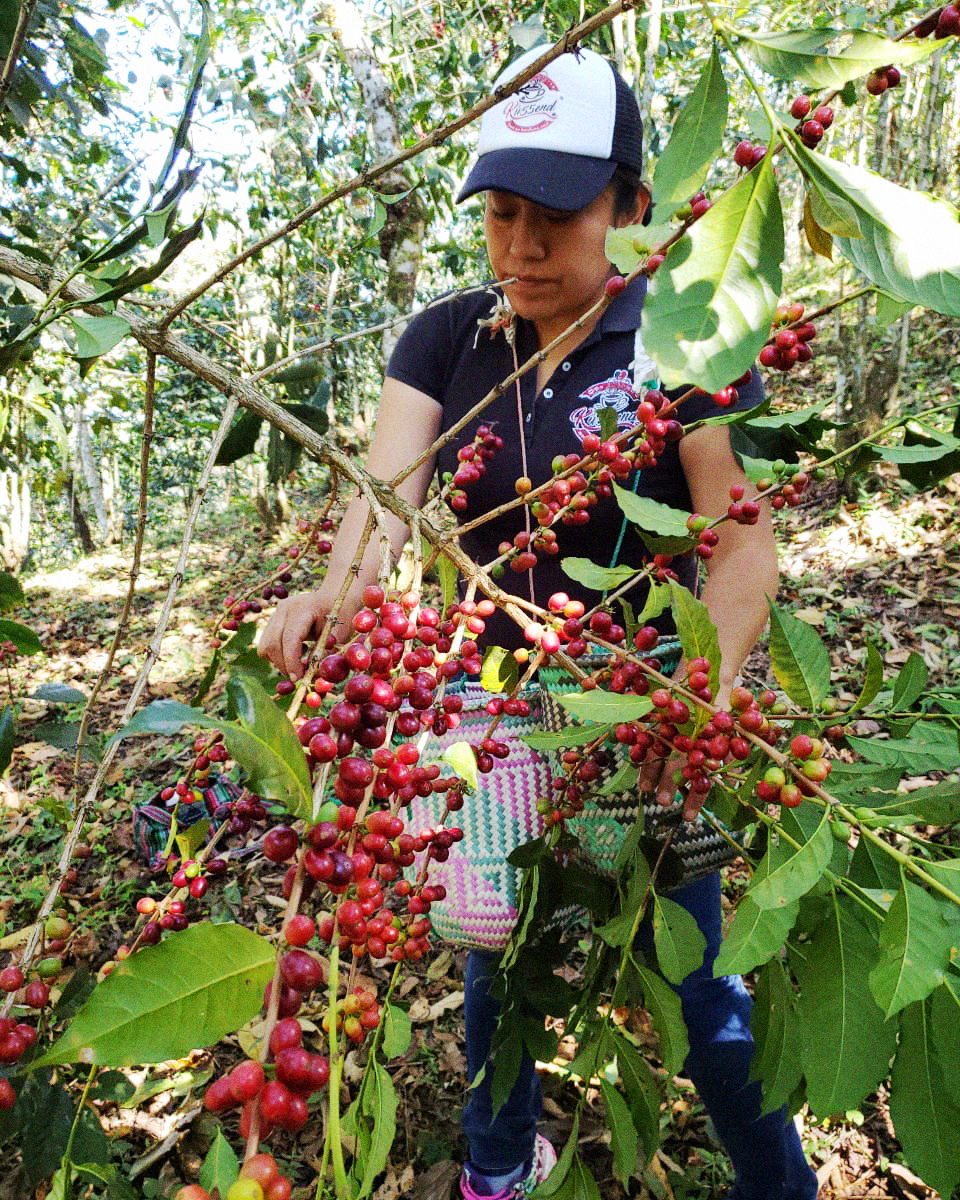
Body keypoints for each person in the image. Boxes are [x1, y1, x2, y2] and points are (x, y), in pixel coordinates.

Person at [259, 45, 818, 1200]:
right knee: (492, 949)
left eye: (556, 219)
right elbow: (380, 513)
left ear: (628, 206)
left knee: (702, 979)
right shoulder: (447, 339)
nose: (520, 248)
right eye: (502, 214)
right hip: (494, 709)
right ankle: (500, 1164)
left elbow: (742, 535)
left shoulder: (687, 333)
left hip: (645, 705)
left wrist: (699, 686)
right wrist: (333, 595)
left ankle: (780, 1184)